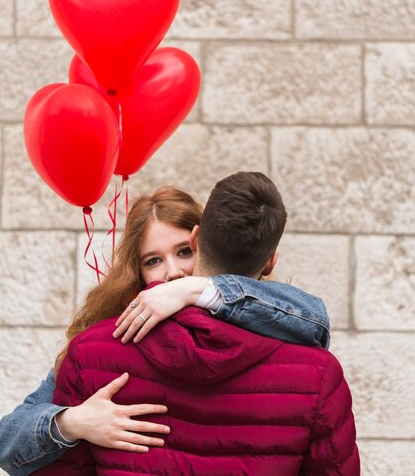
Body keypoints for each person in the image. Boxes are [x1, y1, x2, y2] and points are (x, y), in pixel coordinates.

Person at [32, 173, 359, 475]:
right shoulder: (318, 375)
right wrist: (66, 422)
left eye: (182, 252)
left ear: (197, 238)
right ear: (271, 261)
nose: (173, 273)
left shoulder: (91, 353)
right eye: (154, 260)